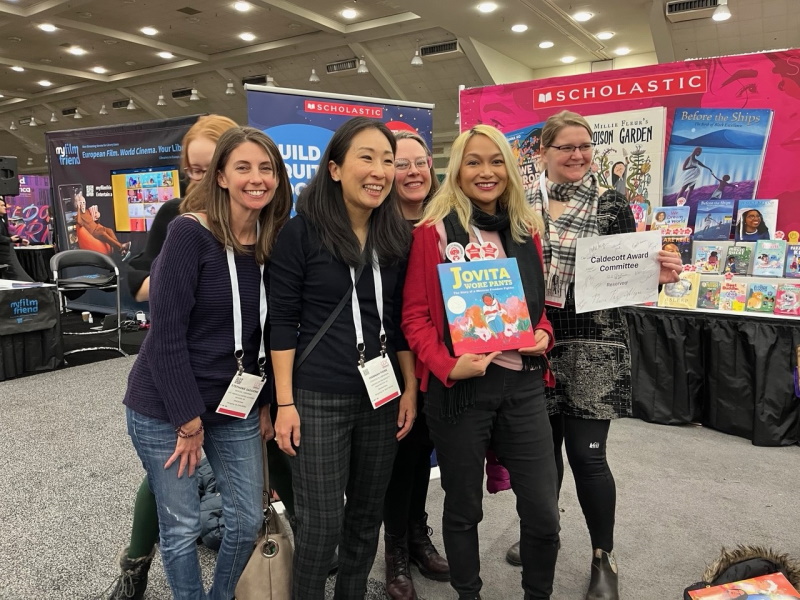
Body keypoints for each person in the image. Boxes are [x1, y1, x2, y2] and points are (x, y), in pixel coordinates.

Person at [508, 110, 682, 600]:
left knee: (588, 458)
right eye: (566, 147)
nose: (578, 155)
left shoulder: (611, 203)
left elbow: (626, 276)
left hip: (595, 345)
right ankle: (543, 534)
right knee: (541, 459)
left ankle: (603, 557)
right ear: (543, 152)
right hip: (534, 342)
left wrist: (655, 277)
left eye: (585, 146)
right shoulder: (518, 203)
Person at [123, 126, 292, 600]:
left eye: (266, 168)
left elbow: (266, 334)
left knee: (245, 519)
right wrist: (187, 420)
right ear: (220, 176)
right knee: (179, 528)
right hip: (166, 407)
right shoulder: (188, 233)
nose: (256, 178)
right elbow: (165, 336)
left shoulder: (271, 240)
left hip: (234, 403)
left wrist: (266, 402)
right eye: (243, 167)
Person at [402, 124, 561, 600]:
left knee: (543, 513)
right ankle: (468, 594)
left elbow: (538, 308)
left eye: (495, 161)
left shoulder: (525, 229)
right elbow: (414, 315)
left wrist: (543, 333)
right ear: (458, 170)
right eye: (474, 161)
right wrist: (447, 365)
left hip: (523, 385)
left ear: (509, 169)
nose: (485, 171)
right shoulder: (433, 231)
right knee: (463, 508)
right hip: (462, 391)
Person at [270, 117, 416, 599]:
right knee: (321, 525)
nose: (379, 171)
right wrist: (284, 403)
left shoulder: (394, 235)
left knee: (366, 517)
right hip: (317, 396)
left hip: (381, 395)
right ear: (334, 169)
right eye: (366, 158)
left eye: (388, 161)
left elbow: (397, 319)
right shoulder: (301, 233)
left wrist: (410, 388)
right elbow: (282, 322)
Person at [105, 115, 239, 600]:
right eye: (193, 170)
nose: (199, 179)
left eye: (209, 167)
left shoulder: (257, 215)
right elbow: (136, 279)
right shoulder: (177, 216)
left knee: (265, 463)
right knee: (168, 477)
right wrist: (173, 279)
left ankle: (306, 544)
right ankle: (136, 563)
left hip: (238, 376)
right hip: (176, 371)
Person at [382, 129, 450, 600]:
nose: (411, 172)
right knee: (398, 458)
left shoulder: (447, 223)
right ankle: (396, 551)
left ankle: (418, 535)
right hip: (389, 359)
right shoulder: (377, 225)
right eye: (399, 163)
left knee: (422, 450)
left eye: (419, 162)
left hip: (435, 358)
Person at [73, 190, 132, 258]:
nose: (83, 204)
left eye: (84, 202)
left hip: (99, 227)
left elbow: (95, 221)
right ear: (78, 204)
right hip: (94, 232)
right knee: (103, 234)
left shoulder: (87, 211)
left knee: (110, 230)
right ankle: (121, 247)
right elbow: (79, 222)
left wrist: (98, 216)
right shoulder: (78, 216)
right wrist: (78, 209)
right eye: (81, 203)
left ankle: (120, 250)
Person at [0, 197, 33, 282]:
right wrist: (10, 239)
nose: (5, 207)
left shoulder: (2, 219)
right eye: (2, 205)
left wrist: (20, 240)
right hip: (4, 252)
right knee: (18, 275)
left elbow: (5, 235)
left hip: (6, 250)